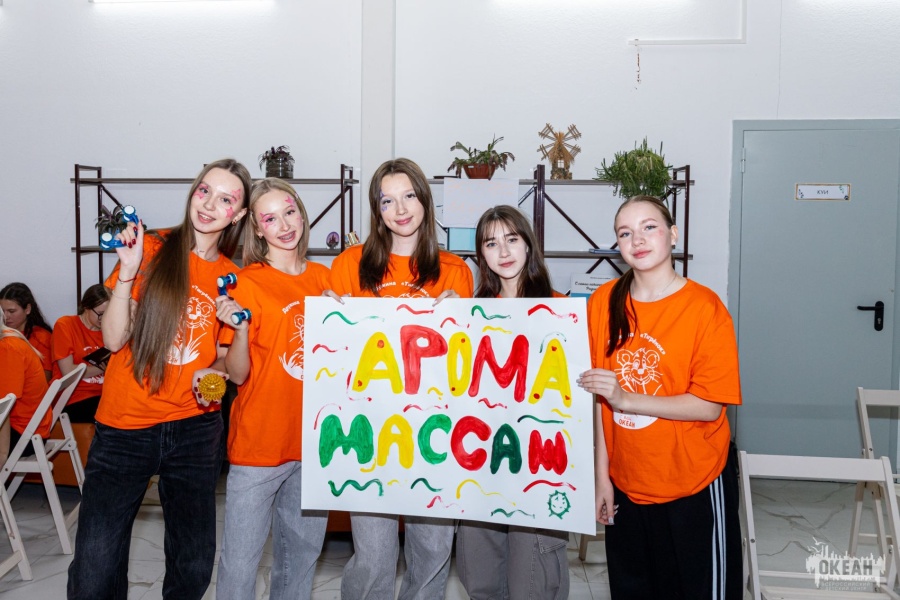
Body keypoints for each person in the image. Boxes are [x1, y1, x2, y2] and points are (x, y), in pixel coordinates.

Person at [67, 159, 252, 600]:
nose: (209, 204)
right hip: (125, 426)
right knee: (95, 567)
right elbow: (113, 340)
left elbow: (226, 363)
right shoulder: (150, 248)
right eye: (204, 191)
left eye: (225, 199)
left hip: (195, 430)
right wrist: (127, 272)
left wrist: (214, 375)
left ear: (239, 215)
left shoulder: (233, 278)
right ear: (193, 190)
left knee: (193, 563)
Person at [577, 195, 742, 599]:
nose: (637, 240)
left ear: (673, 234)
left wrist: (628, 399)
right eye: (625, 233)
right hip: (628, 483)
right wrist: (602, 477)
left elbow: (709, 406)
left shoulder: (704, 308)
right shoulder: (603, 303)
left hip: (693, 482)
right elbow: (598, 402)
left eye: (649, 227)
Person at [328, 157, 473, 600]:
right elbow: (332, 358)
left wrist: (464, 319)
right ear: (377, 209)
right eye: (387, 200)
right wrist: (330, 321)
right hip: (369, 434)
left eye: (409, 196)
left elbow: (466, 367)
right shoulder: (349, 264)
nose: (401, 209)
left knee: (432, 551)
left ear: (425, 201)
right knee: (372, 556)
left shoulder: (455, 271)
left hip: (434, 435)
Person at [214, 178, 330, 599]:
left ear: (301, 213)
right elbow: (236, 375)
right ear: (258, 230)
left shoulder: (326, 278)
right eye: (270, 219)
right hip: (259, 444)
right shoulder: (245, 283)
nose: (284, 225)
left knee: (300, 560)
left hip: (316, 444)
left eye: (289, 212)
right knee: (240, 564)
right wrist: (242, 330)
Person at [455, 205, 570, 599]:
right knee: (480, 575)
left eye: (512, 239)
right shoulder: (470, 316)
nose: (503, 251)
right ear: (480, 255)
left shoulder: (561, 312)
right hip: (480, 461)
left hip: (540, 461)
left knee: (534, 578)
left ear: (528, 245)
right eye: (491, 243)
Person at [50, 283, 110, 423]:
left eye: (109, 314)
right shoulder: (66, 325)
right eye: (101, 314)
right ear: (86, 307)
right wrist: (104, 368)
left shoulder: (110, 331)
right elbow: (69, 372)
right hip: (74, 396)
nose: (104, 319)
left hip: (105, 395)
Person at [0, 310, 50, 464]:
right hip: (30, 426)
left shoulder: (7, 348)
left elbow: (4, 407)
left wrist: (2, 456)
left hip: (23, 434)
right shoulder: (8, 335)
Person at [0, 282, 54, 380]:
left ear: (27, 309)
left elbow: (43, 379)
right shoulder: (3, 334)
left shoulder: (41, 337)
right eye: (2, 311)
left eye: (12, 311)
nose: (6, 316)